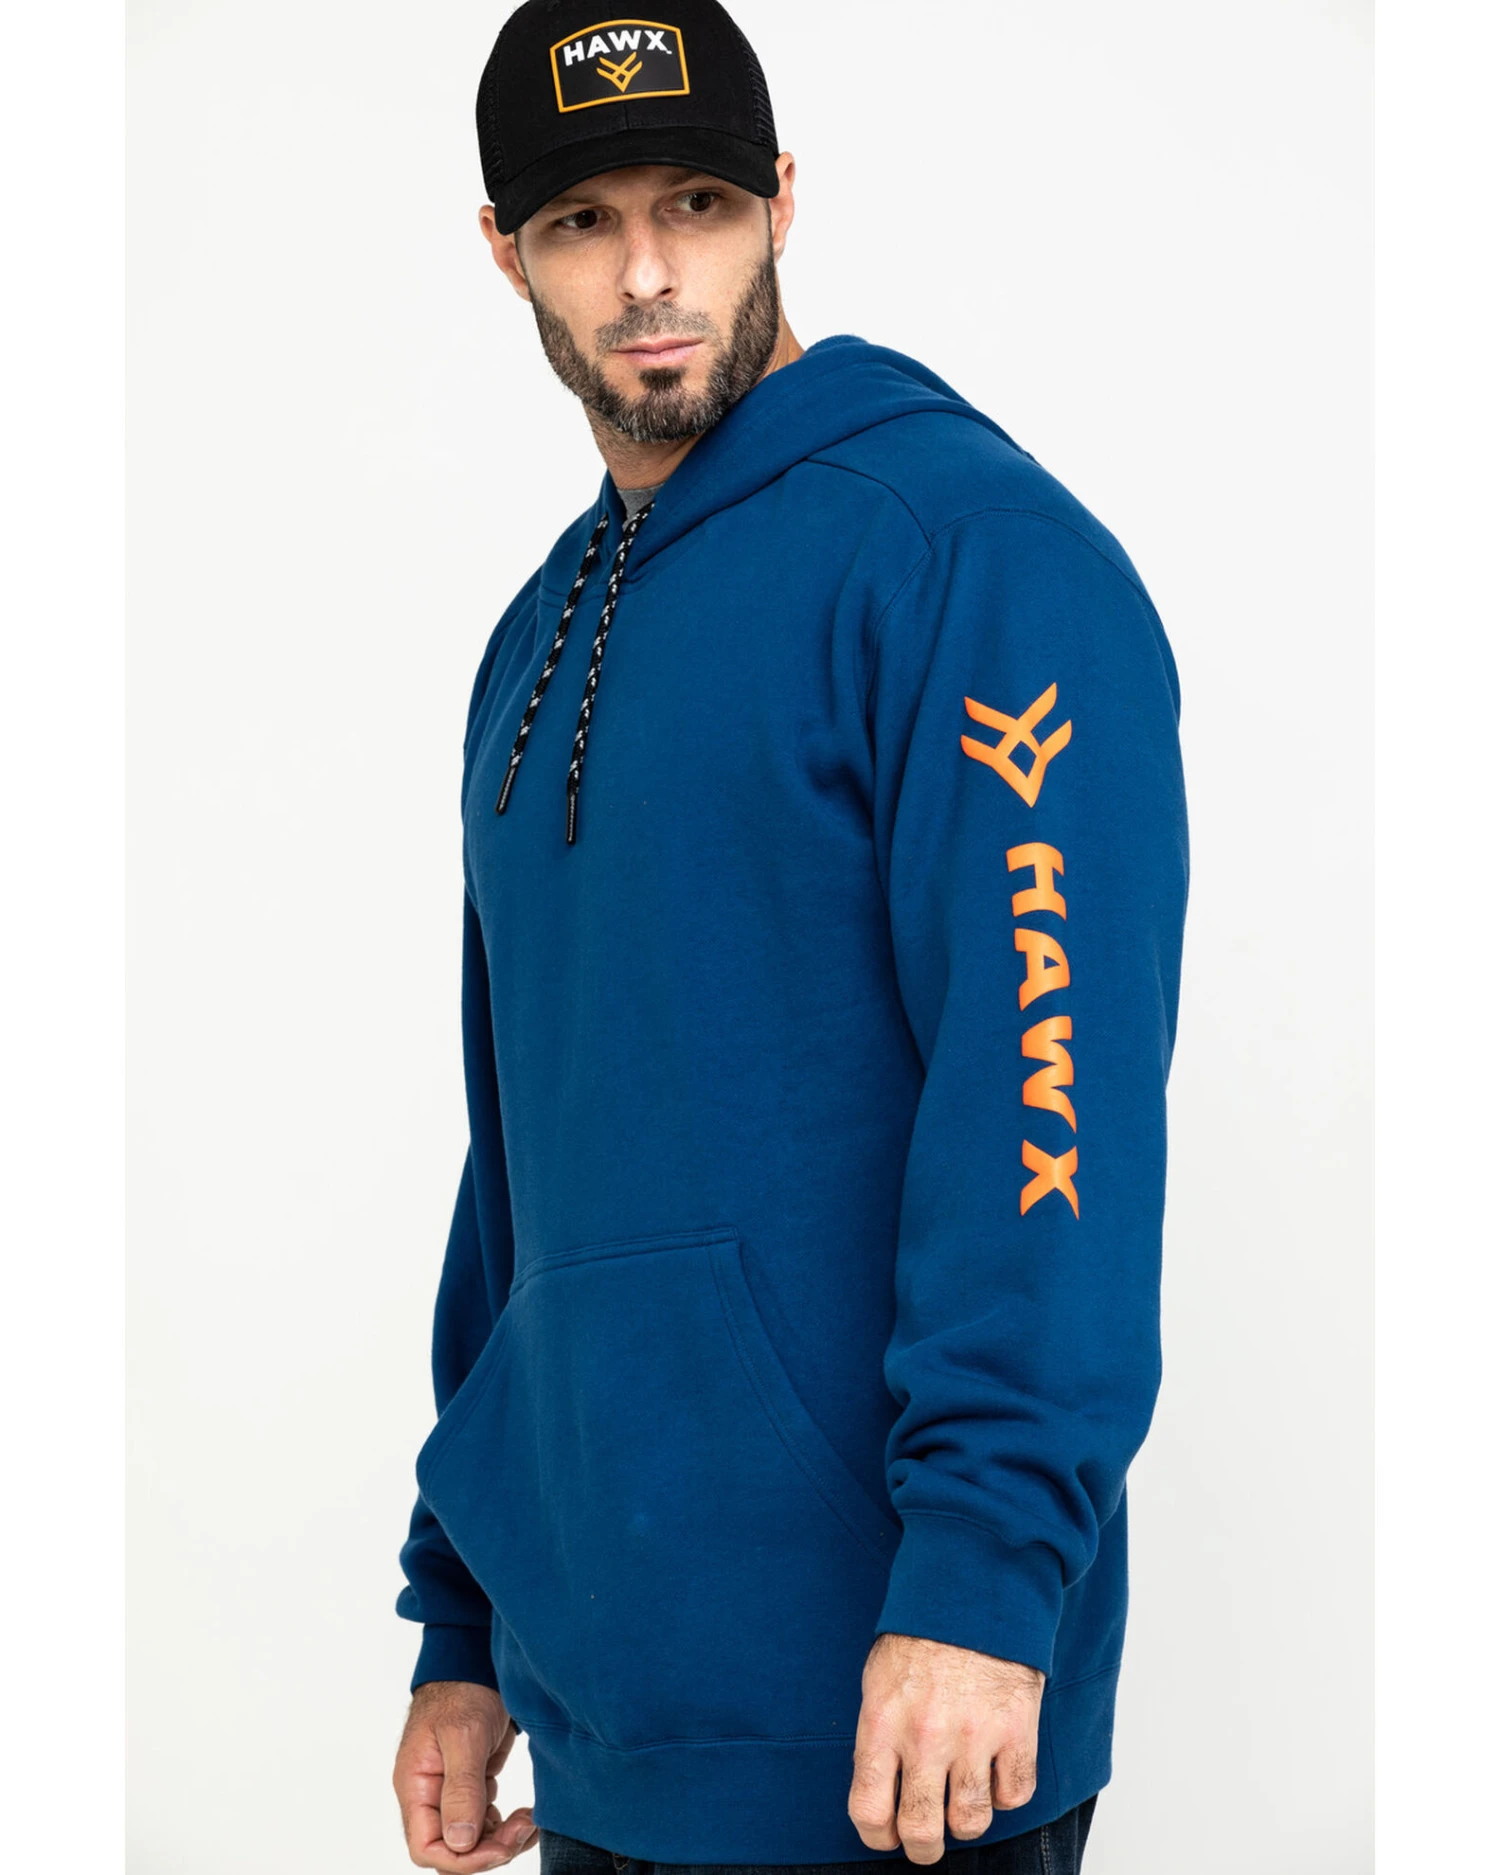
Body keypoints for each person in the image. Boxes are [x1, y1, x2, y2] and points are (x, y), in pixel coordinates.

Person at [391, 4, 1189, 1872]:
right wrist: (468, 1616)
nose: (647, 274)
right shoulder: (533, 644)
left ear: (784, 202)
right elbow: (525, 1156)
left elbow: (1047, 1100)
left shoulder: (968, 559)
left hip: (905, 1726)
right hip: (612, 1721)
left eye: (697, 202)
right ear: (504, 249)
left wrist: (986, 1574)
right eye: (583, 221)